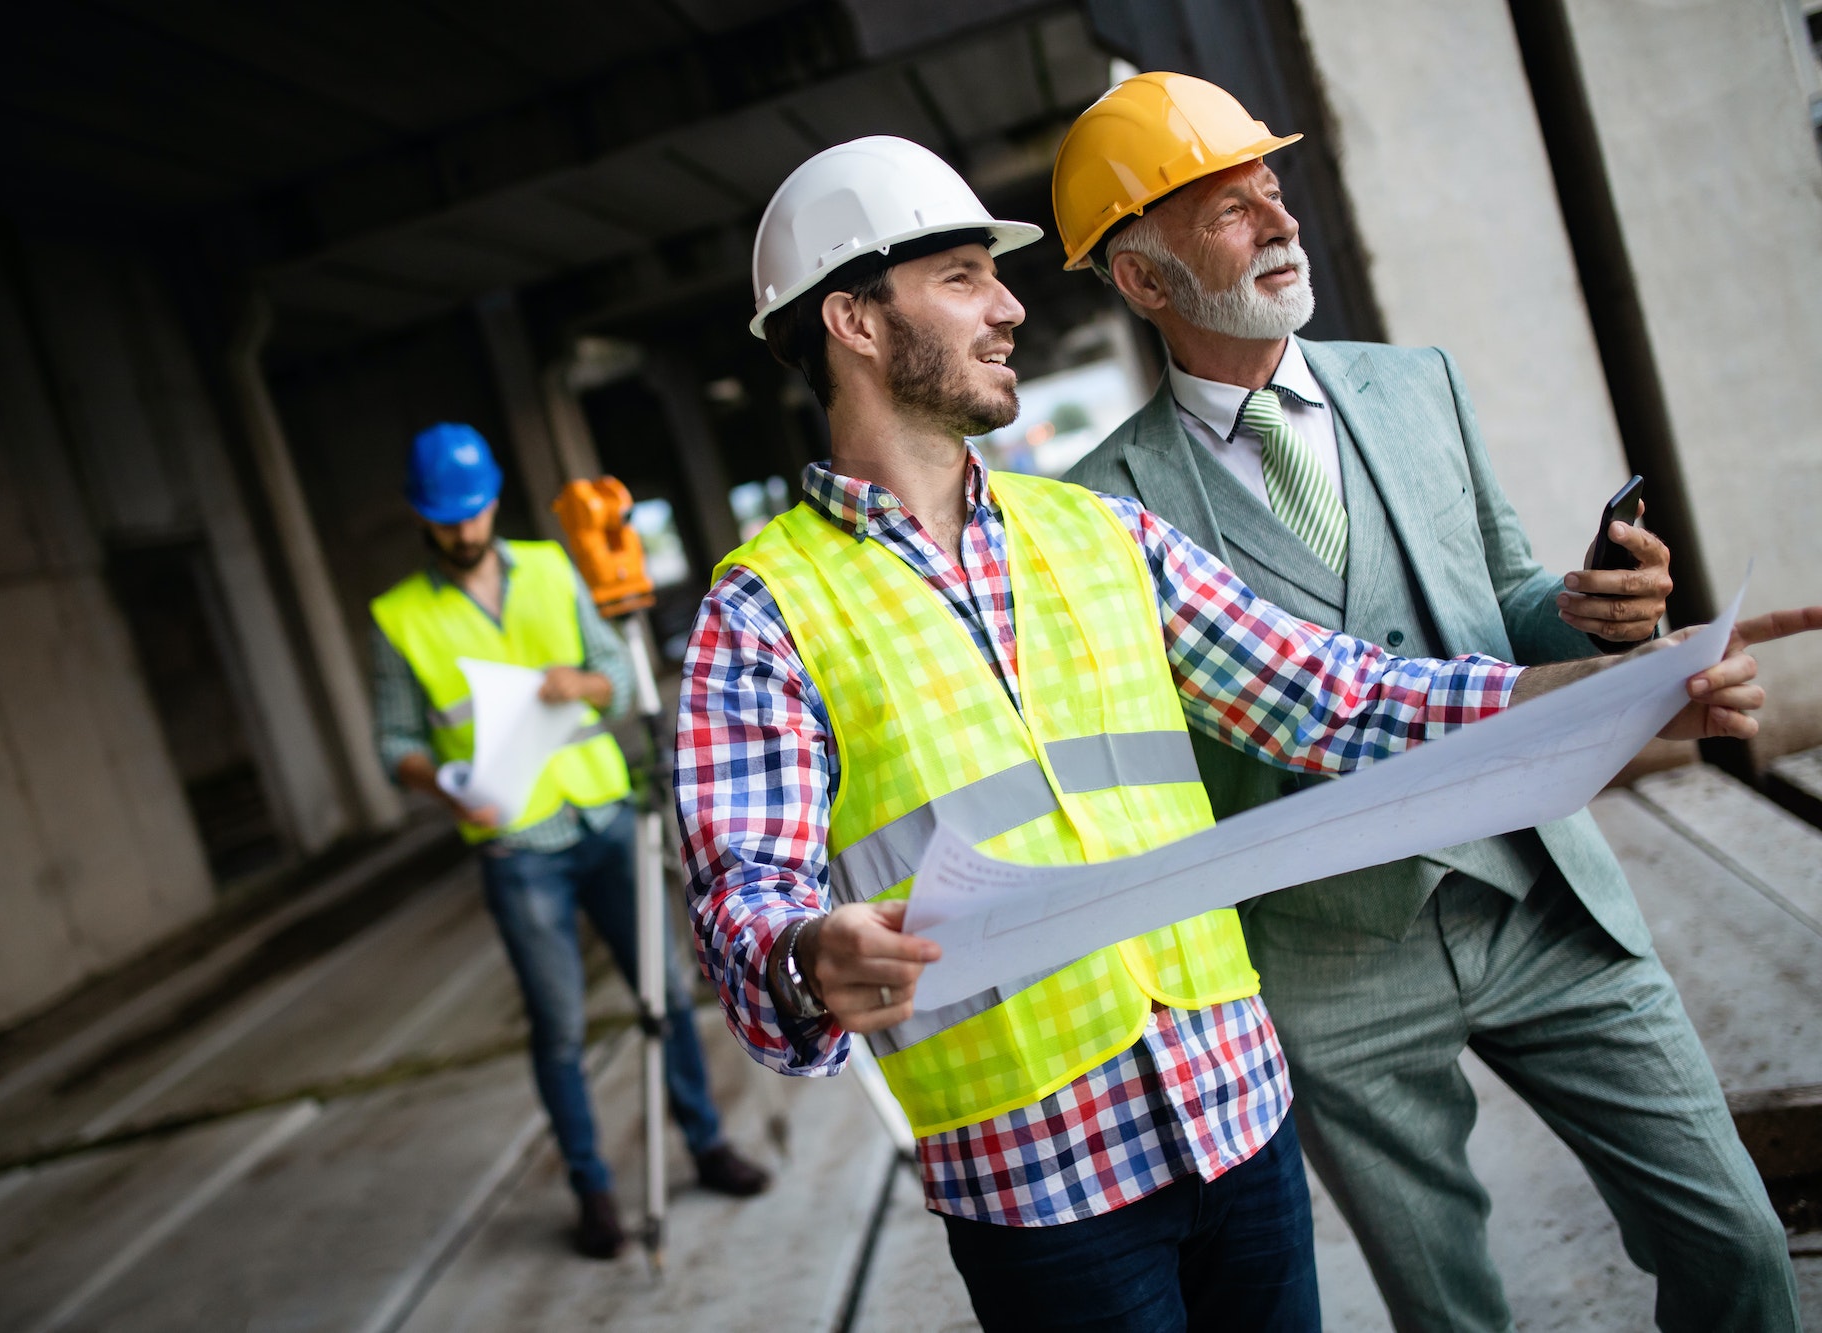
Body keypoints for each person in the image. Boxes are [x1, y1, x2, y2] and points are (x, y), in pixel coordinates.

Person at [673, 135, 1786, 1332]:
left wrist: (1617, 692)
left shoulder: (1095, 536)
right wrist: (806, 960)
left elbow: (1336, 695)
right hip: (1036, 1169)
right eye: (959, 276)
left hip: (1228, 1110)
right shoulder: (763, 611)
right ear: (851, 319)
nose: (1008, 305)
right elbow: (744, 896)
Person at [1055, 73, 1805, 1331]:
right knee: (1446, 1314)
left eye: (1270, 187)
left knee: (1735, 1244)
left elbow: (1500, 594)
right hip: (1332, 965)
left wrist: (1588, 615)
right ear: (1140, 278)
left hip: (1541, 902)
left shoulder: (1417, 385)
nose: (1275, 219)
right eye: (1226, 208)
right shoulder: (1093, 510)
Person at [369, 423, 768, 1260]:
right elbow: (394, 741)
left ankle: (706, 1144)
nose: (464, 529)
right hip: (513, 838)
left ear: (491, 505)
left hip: (600, 814)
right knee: (558, 1027)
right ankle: (593, 1190)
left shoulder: (551, 569)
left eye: (474, 512)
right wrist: (435, 780)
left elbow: (617, 678)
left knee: (662, 991)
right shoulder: (398, 618)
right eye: (448, 517)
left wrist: (578, 682)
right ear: (423, 515)